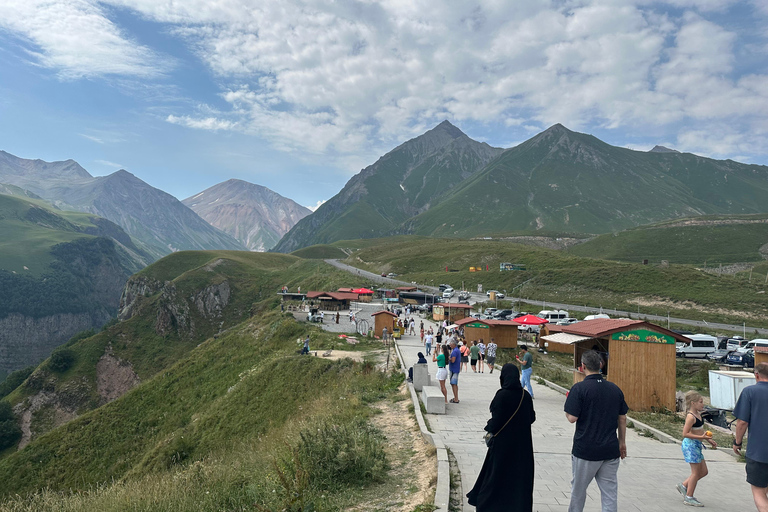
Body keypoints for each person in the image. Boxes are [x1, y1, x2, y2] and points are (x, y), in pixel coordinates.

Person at [564, 350, 628, 512]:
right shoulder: (615, 389)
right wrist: (622, 443)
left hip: (586, 450)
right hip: (610, 450)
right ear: (600, 365)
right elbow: (622, 418)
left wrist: (568, 405)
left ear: (583, 366)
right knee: (609, 493)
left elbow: (572, 418)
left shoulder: (579, 389)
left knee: (578, 492)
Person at [467, 364, 536, 511]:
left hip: (503, 447)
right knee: (518, 479)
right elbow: (531, 418)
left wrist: (488, 427)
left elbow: (496, 422)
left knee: (496, 477)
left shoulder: (502, 395)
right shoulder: (526, 396)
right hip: (522, 447)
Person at [733, 362, 768, 512]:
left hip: (758, 453)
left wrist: (737, 442)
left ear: (756, 375)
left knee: (759, 492)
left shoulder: (749, 392)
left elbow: (742, 422)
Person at [677, 391, 716, 507]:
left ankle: (683, 485)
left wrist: (708, 439)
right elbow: (685, 433)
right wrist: (701, 437)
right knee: (695, 473)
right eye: (700, 402)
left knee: (704, 471)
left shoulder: (698, 415)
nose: (702, 404)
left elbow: (699, 430)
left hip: (697, 446)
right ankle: (689, 497)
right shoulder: (690, 417)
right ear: (693, 403)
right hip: (690, 446)